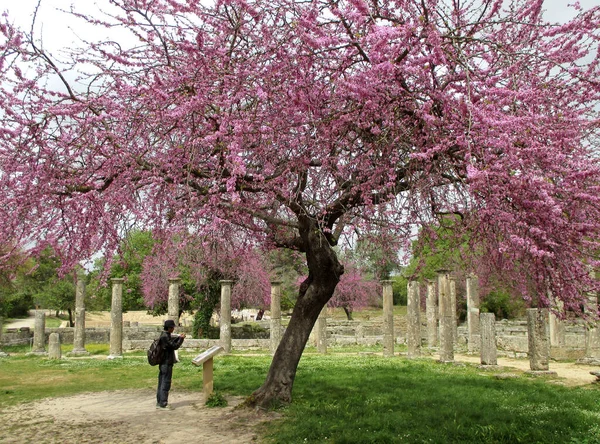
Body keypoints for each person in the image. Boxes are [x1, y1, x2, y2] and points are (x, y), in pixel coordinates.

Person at [156, 319, 185, 410]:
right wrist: (181, 339)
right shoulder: (165, 337)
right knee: (165, 382)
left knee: (162, 382)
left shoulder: (164, 335)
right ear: (169, 328)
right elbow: (174, 346)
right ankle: (163, 403)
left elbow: (171, 341)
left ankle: (160, 402)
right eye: (172, 328)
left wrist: (178, 337)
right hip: (166, 362)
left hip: (164, 363)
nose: (173, 329)